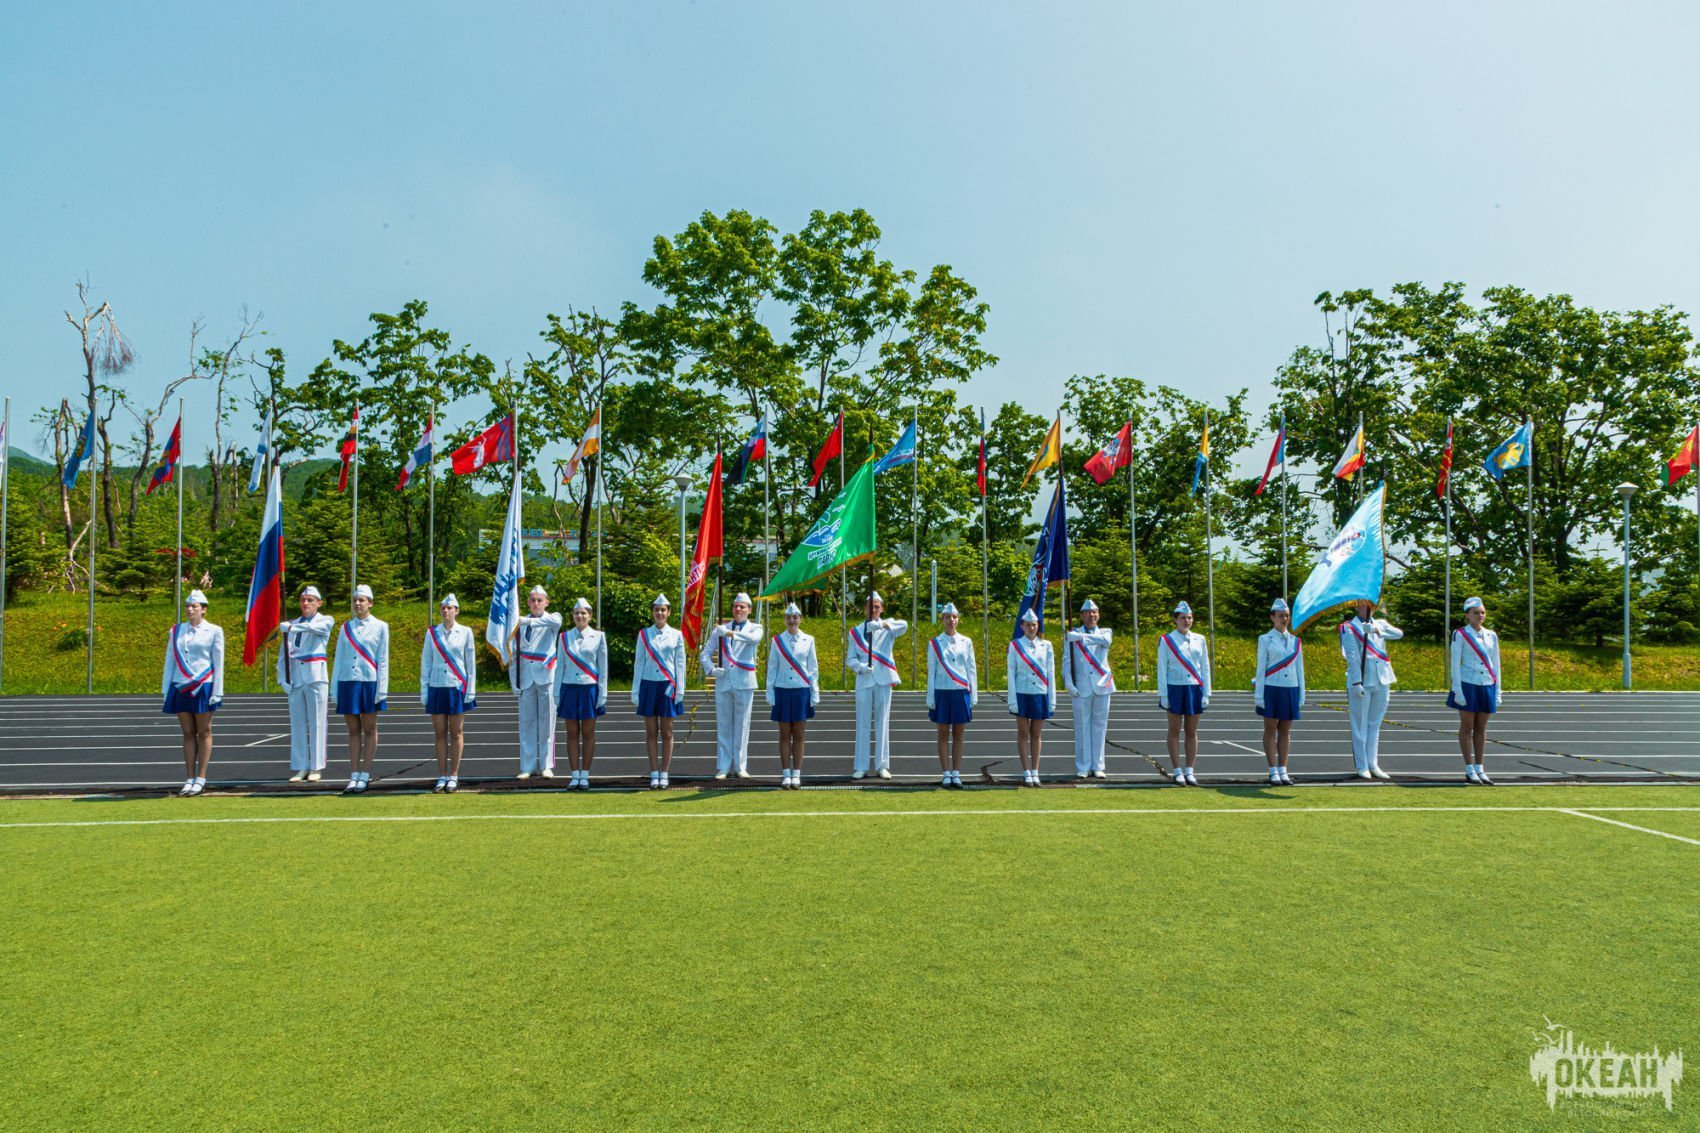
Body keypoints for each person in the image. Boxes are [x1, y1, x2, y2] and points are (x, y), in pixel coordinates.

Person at [161, 588, 224, 796]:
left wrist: (218, 690)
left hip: (203, 685)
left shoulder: (214, 631)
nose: (190, 609)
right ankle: (189, 777)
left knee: (204, 731)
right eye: (188, 606)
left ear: (203, 609)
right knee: (187, 732)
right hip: (181, 685)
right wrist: (165, 688)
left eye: (194, 606)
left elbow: (218, 661)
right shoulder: (176, 631)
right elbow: (170, 660)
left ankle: (201, 777)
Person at [331, 583, 389, 794]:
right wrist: (335, 687)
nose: (357, 604)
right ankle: (354, 774)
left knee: (370, 728)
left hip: (369, 681)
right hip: (348, 681)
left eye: (361, 600)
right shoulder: (345, 628)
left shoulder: (381, 626)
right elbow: (339, 659)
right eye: (355, 600)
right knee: (353, 730)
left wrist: (382, 688)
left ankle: (365, 773)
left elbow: (383, 659)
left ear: (370, 603)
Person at [1339, 599, 1403, 781]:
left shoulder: (1380, 623)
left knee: (1374, 724)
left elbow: (1399, 634)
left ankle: (1373, 763)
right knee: (1360, 725)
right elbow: (1352, 656)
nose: (1368, 608)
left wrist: (1375, 630)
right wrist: (1356, 682)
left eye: (1371, 605)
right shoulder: (1348, 627)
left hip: (1382, 678)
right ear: (1357, 606)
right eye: (1364, 604)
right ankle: (1362, 765)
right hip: (1363, 679)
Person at [702, 592, 763, 780]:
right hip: (724, 681)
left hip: (744, 682)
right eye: (736, 606)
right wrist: (712, 670)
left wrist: (728, 634)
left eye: (742, 607)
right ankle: (723, 766)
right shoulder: (721, 629)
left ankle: (740, 766)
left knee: (742, 726)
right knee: (724, 725)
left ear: (749, 610)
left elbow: (752, 640)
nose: (738, 609)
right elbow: (705, 653)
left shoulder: (756, 628)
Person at [847, 591, 907, 780]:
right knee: (862, 724)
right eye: (870, 606)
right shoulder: (855, 632)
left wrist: (881, 624)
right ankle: (861, 766)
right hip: (864, 679)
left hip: (883, 678)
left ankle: (882, 765)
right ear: (864, 608)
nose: (873, 610)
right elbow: (850, 659)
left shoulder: (888, 626)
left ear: (881, 609)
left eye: (877, 606)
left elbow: (904, 625)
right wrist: (861, 667)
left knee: (882, 723)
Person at [277, 585, 334, 784]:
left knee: (317, 723)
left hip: (315, 677)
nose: (306, 603)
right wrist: (283, 678)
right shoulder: (291, 624)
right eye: (303, 600)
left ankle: (316, 766)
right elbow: (284, 654)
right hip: (296, 678)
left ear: (319, 603)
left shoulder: (325, 620)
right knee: (298, 724)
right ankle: (301, 766)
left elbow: (316, 629)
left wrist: (291, 628)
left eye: (310, 600)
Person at [421, 593, 477, 793]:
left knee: (456, 732)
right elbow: (426, 662)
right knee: (439, 733)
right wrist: (424, 689)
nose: (446, 611)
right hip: (437, 686)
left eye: (450, 607)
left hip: (456, 686)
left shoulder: (466, 632)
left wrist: (471, 689)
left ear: (457, 611)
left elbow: (470, 663)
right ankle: (442, 775)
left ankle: (454, 775)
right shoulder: (432, 633)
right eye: (443, 607)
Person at [632, 594, 687, 789]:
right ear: (653, 612)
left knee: (667, 731)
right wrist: (635, 690)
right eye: (657, 610)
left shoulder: (676, 635)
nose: (660, 613)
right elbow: (639, 663)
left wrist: (680, 688)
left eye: (663, 610)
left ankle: (665, 772)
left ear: (669, 612)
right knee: (650, 732)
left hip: (667, 686)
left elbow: (680, 663)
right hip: (648, 685)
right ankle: (654, 772)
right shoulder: (644, 634)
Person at [553, 597, 607, 790]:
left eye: (583, 613)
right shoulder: (564, 637)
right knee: (571, 733)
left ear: (590, 616)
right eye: (577, 613)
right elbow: (560, 666)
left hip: (589, 688)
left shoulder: (598, 637)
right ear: (573, 616)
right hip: (569, 687)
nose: (580, 616)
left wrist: (602, 693)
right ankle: (574, 774)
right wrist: (556, 693)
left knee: (588, 733)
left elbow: (603, 667)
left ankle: (585, 775)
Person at [1156, 601, 1211, 786]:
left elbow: (1205, 667)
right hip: (1175, 688)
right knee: (1174, 730)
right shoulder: (1166, 640)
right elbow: (1161, 668)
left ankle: (1190, 770)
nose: (1187, 621)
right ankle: (1177, 770)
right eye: (1183, 618)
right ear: (1175, 620)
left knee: (1191, 731)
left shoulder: (1200, 639)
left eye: (1189, 618)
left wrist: (1206, 693)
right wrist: (1163, 694)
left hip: (1194, 688)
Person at [766, 602, 820, 789]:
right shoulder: (777, 641)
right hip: (782, 689)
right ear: (784, 619)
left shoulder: (809, 640)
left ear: (800, 619)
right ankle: (785, 774)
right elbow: (772, 668)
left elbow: (813, 669)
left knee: (799, 734)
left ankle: (796, 773)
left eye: (795, 617)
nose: (791, 620)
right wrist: (770, 691)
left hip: (801, 690)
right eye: (788, 617)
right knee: (783, 734)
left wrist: (814, 692)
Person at [1448, 596, 1501, 785]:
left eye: (1483, 612)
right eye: (1476, 613)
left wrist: (1498, 690)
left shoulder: (1491, 635)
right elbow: (1455, 663)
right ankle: (1469, 768)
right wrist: (1457, 690)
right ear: (1467, 615)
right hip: (1468, 683)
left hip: (1486, 684)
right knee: (1467, 727)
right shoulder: (1460, 634)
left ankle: (1480, 768)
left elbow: (1496, 664)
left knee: (1481, 729)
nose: (1480, 615)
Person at [512, 585, 562, 781]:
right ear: (527, 603)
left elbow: (555, 621)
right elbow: (514, 654)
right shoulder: (520, 623)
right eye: (532, 600)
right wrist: (513, 681)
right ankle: (528, 765)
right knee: (527, 723)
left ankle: (546, 765)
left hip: (546, 676)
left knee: (547, 723)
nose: (536, 603)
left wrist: (526, 621)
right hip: (526, 677)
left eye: (540, 600)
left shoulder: (553, 619)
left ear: (546, 602)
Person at [1253, 597, 1304, 787]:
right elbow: (1261, 668)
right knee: (1270, 729)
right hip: (1271, 688)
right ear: (1272, 617)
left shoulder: (1296, 641)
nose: (1284, 619)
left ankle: (1283, 769)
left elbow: (1300, 669)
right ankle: (1272, 769)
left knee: (1285, 730)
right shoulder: (1265, 639)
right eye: (1281, 615)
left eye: (1287, 615)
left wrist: (1301, 694)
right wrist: (1259, 695)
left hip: (1290, 688)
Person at [927, 602, 978, 789]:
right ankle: (946, 773)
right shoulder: (934, 643)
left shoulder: (966, 642)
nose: (951, 620)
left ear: (958, 619)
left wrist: (974, 694)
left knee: (959, 734)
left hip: (961, 691)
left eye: (954, 617)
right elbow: (931, 671)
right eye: (947, 617)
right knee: (942, 734)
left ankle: (956, 773)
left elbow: (971, 669)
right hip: (942, 692)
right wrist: (930, 697)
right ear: (942, 620)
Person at [1063, 598, 1115, 780]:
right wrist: (1068, 682)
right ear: (1081, 615)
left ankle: (1098, 766)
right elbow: (1067, 660)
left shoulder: (1105, 632)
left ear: (1098, 615)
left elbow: (1105, 641)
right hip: (1082, 685)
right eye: (1088, 612)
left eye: (1095, 612)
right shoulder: (1073, 634)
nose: (1092, 615)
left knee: (1100, 727)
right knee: (1082, 727)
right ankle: (1083, 766)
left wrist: (1081, 638)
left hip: (1102, 684)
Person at [1007, 608, 1056, 787]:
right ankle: (1026, 771)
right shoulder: (1015, 646)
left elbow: (1051, 673)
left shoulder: (1046, 646)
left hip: (1040, 693)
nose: (1031, 628)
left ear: (1038, 626)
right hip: (1022, 693)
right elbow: (1011, 674)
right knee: (1022, 733)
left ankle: (1035, 771)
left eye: (1034, 625)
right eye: (1028, 625)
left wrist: (1052, 699)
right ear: (1022, 626)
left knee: (1036, 734)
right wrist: (1012, 700)